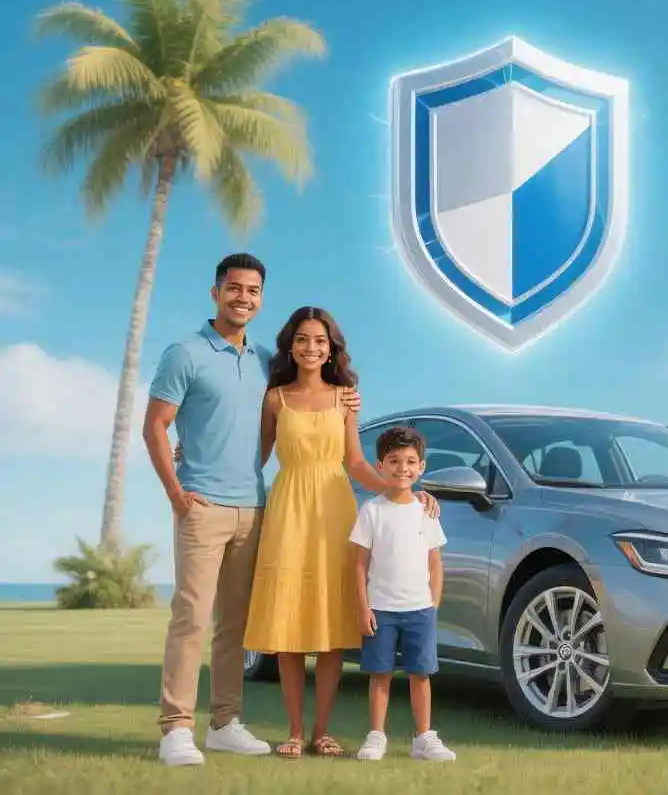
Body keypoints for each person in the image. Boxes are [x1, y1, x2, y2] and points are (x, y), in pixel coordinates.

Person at [142, 254, 361, 768]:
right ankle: (176, 728)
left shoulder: (267, 361)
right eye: (235, 288)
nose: (244, 297)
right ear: (216, 292)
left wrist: (347, 403)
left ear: (261, 299)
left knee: (234, 626)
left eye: (254, 290)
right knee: (191, 617)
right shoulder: (185, 352)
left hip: (257, 507)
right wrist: (176, 490)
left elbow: (281, 422)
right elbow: (156, 425)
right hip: (201, 502)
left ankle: (224, 722)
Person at [242, 307, 441, 758]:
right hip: (288, 509)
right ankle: (294, 731)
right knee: (291, 624)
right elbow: (252, 455)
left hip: (335, 509)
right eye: (303, 339)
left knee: (332, 625)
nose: (311, 348)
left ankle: (323, 731)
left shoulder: (345, 398)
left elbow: (354, 462)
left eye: (320, 341)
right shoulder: (274, 399)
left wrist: (407, 490)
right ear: (289, 345)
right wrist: (193, 454)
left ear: (331, 348)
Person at [350, 425, 456, 763]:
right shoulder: (372, 511)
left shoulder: (426, 510)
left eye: (411, 461)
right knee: (380, 675)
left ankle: (424, 737)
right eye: (394, 461)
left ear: (421, 467)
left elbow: (435, 563)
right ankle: (376, 735)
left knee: (420, 674)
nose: (403, 468)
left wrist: (433, 603)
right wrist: (363, 607)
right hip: (380, 609)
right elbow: (359, 565)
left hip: (419, 610)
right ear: (380, 465)